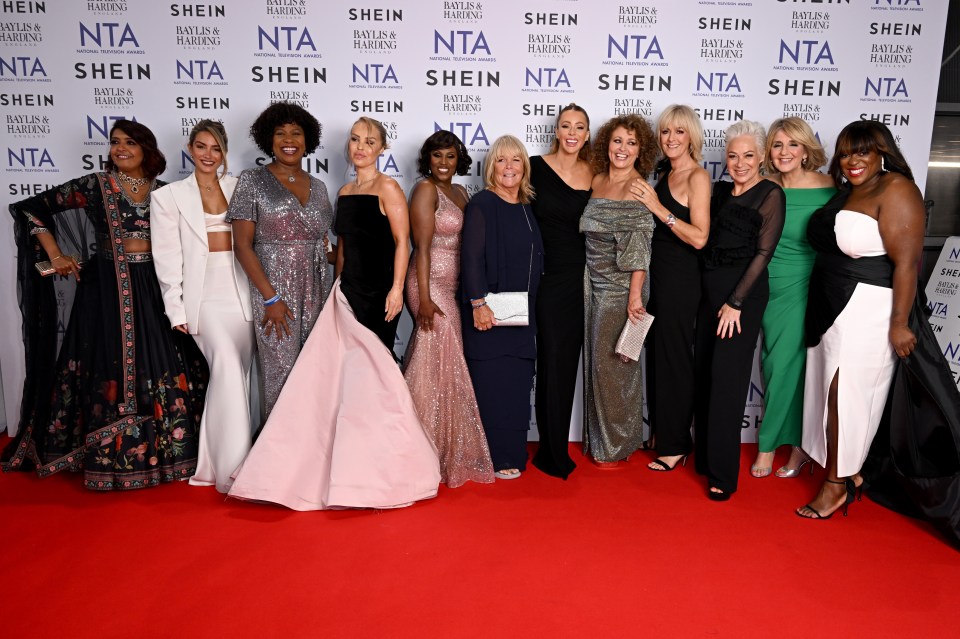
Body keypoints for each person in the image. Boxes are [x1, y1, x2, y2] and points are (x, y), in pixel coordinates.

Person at [228, 117, 440, 510]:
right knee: (344, 382)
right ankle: (344, 468)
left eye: (370, 141)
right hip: (345, 292)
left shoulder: (388, 187)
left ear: (382, 148)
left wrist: (396, 289)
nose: (361, 147)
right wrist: (335, 282)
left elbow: (402, 243)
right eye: (355, 140)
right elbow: (341, 246)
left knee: (375, 379)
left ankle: (386, 467)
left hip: (378, 295)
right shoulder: (340, 191)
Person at [1, 120, 208, 490]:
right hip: (106, 288)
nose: (120, 149)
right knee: (111, 362)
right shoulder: (95, 185)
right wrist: (56, 253)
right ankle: (109, 455)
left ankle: (170, 454)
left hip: (155, 286)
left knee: (160, 361)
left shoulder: (166, 192)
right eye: (115, 142)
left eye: (130, 142)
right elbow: (32, 210)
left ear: (148, 148)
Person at [798, 120, 926, 519]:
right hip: (830, 306)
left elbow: (906, 264)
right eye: (846, 152)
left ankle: (837, 484)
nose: (852, 160)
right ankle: (846, 473)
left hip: (868, 310)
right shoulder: (849, 191)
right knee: (829, 394)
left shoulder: (897, 189)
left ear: (882, 153)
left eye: (862, 152)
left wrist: (899, 323)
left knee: (848, 396)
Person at [152, 120, 255, 493]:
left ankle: (215, 462)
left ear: (224, 151)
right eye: (201, 147)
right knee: (226, 368)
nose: (208, 155)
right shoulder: (168, 197)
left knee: (238, 377)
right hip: (204, 296)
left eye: (215, 148)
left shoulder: (241, 185)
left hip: (244, 292)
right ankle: (234, 469)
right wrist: (176, 309)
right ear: (190, 148)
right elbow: (166, 258)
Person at [694, 120, 785, 501]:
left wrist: (735, 303)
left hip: (741, 299)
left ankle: (724, 474)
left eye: (748, 155)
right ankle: (705, 457)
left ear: (762, 156)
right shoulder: (717, 193)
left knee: (729, 383)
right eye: (733, 155)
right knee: (704, 375)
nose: (740, 162)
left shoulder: (770, 193)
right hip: (708, 294)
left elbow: (764, 253)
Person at [226, 102, 334, 419]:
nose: (289, 140)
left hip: (318, 291)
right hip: (274, 294)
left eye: (296, 133)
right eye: (280, 133)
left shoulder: (319, 186)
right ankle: (278, 457)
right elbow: (243, 246)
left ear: (307, 140)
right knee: (281, 374)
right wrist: (271, 297)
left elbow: (325, 245)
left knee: (315, 374)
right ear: (268, 140)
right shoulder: (252, 180)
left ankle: (312, 450)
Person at [402, 130, 495, 488]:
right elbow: (421, 248)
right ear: (428, 159)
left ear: (460, 161)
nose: (443, 163)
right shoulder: (425, 190)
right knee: (433, 359)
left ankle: (440, 448)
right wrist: (423, 298)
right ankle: (414, 449)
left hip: (455, 286)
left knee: (444, 364)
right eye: (437, 156)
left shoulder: (461, 192)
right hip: (428, 286)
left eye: (450, 157)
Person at [752, 117, 836, 479]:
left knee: (786, 365)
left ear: (806, 150)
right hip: (764, 282)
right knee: (777, 363)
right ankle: (801, 446)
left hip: (807, 283)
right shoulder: (763, 186)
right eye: (777, 145)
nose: (784, 152)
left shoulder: (830, 187)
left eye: (793, 145)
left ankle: (768, 446)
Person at [461, 135, 544, 479]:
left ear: (524, 166)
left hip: (523, 316)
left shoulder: (526, 205)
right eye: (501, 160)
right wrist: (478, 303)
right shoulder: (482, 203)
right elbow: (471, 257)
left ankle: (512, 452)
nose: (508, 167)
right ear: (490, 166)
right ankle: (494, 457)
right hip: (491, 315)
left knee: (516, 385)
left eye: (515, 160)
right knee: (492, 386)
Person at [581, 114, 657, 467]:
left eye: (631, 142)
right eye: (617, 141)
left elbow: (641, 249)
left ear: (640, 150)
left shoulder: (639, 187)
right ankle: (601, 440)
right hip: (591, 282)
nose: (622, 149)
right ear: (606, 145)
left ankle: (617, 445)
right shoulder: (597, 181)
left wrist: (634, 298)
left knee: (616, 366)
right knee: (599, 364)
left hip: (623, 287)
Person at [638, 104, 711, 473]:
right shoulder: (666, 172)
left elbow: (700, 238)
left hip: (682, 279)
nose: (671, 139)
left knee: (675, 359)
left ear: (692, 136)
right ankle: (663, 432)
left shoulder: (698, 177)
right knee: (657, 357)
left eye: (679, 132)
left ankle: (677, 444)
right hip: (659, 277)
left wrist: (656, 207)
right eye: (666, 132)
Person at [529, 103, 593, 480]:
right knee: (547, 360)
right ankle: (550, 450)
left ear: (587, 135)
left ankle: (569, 445)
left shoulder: (596, 174)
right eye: (565, 125)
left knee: (568, 363)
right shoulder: (534, 166)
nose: (571, 132)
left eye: (579, 127)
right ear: (556, 130)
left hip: (583, 278)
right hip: (542, 276)